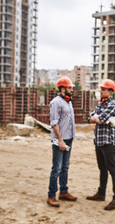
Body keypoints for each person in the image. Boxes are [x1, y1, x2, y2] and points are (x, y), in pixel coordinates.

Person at [86, 79, 115, 211]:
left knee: (112, 170)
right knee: (102, 169)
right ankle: (101, 193)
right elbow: (90, 118)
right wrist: (96, 118)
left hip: (108, 142)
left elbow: (99, 119)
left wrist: (96, 118)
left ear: (110, 91)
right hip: (99, 141)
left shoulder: (113, 105)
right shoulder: (100, 104)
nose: (101, 91)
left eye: (103, 89)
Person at [47, 77, 77, 207]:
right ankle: (51, 195)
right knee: (57, 168)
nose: (72, 90)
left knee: (65, 167)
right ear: (63, 89)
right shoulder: (56, 102)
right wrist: (60, 140)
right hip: (60, 139)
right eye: (70, 87)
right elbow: (54, 123)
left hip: (68, 138)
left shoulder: (68, 101)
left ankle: (63, 191)